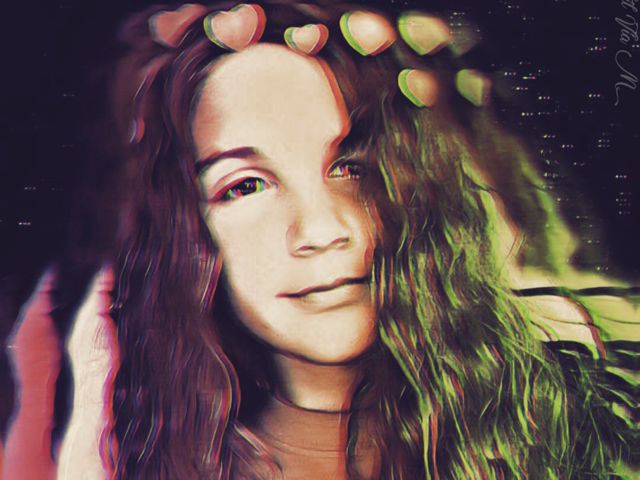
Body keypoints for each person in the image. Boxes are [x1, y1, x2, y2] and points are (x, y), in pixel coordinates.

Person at [2, 2, 638, 479]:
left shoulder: (573, 415)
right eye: (245, 186)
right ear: (185, 237)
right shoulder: (150, 454)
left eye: (351, 167)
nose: (320, 231)